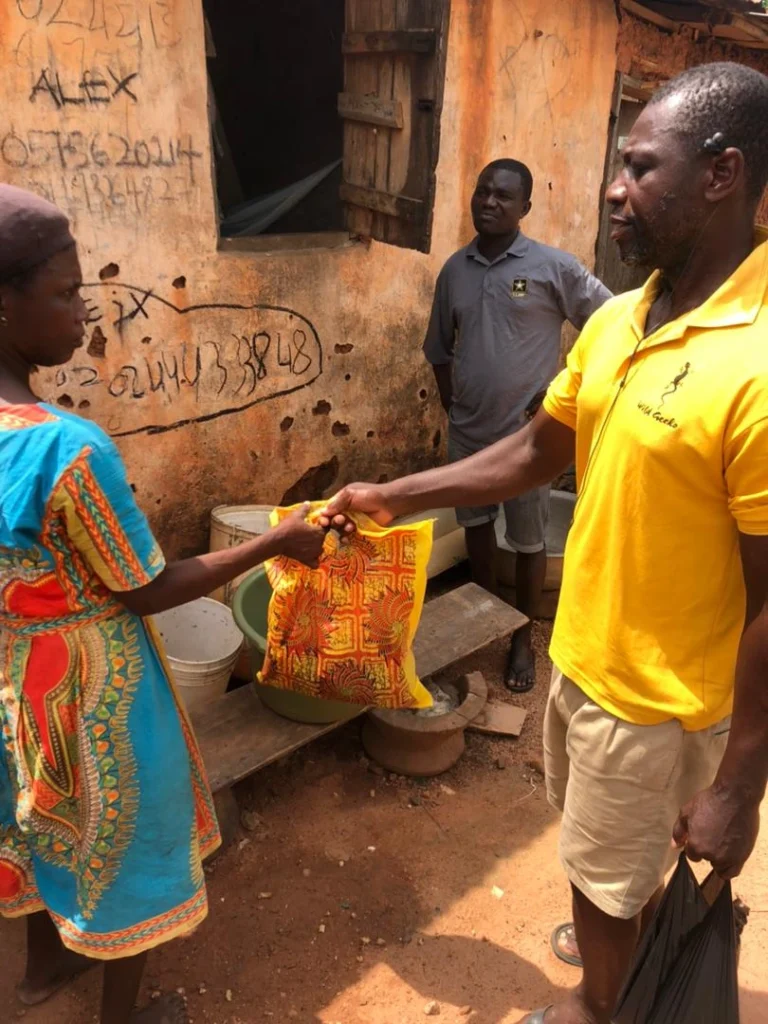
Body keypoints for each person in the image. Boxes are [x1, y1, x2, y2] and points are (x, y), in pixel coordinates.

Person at [321, 61, 768, 1024]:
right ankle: (620, 958)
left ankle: (598, 1008)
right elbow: (533, 452)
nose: (614, 188)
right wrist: (392, 495)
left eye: (641, 167)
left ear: (722, 175)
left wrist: (742, 781)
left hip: (659, 704)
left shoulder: (758, 359)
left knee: (602, 884)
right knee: (603, 869)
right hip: (586, 660)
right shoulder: (622, 318)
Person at [0, 186, 329, 1024]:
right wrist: (275, 542)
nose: (84, 311)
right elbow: (145, 586)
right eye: (65, 293)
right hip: (94, 686)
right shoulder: (65, 448)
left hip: (15, 674)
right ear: (4, 306)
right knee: (128, 839)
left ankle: (42, 972)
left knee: (40, 816)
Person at [424, 159, 611, 693]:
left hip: (529, 439)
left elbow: (610, 325)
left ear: (524, 207)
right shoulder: (455, 271)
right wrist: (452, 403)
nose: (489, 202)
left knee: (529, 543)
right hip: (469, 433)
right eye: (482, 191)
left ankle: (522, 638)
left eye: (503, 196)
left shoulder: (555, 268)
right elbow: (438, 348)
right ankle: (486, 620)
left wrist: (557, 394)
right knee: (477, 529)